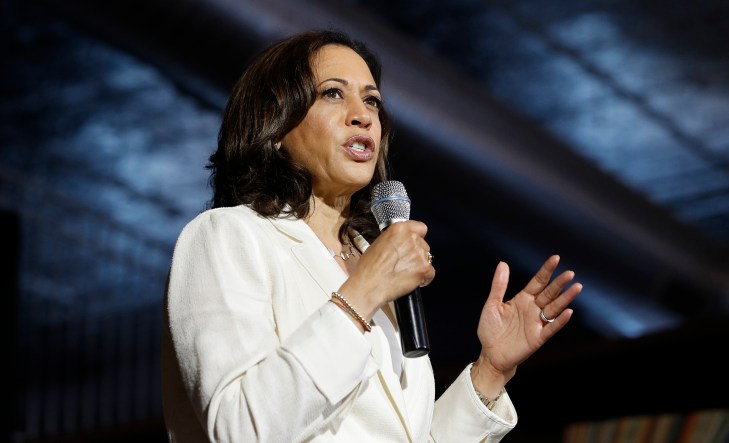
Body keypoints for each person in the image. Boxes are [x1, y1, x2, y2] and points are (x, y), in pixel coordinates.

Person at [161, 29, 583, 442]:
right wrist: (362, 293)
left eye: (371, 100)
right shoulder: (227, 236)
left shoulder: (372, 261)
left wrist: (488, 372)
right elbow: (241, 428)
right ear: (275, 125)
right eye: (332, 93)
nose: (362, 114)